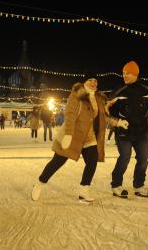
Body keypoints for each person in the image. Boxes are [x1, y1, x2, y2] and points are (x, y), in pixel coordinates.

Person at [31, 73, 127, 203]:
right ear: (84, 82)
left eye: (95, 80)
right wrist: (68, 135)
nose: (93, 83)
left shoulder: (98, 97)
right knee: (58, 161)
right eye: (90, 79)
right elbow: (69, 116)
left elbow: (103, 116)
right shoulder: (76, 95)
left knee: (92, 161)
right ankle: (40, 183)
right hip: (73, 136)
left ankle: (84, 190)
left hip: (90, 137)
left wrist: (118, 122)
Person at [108, 61, 148, 198]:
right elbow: (108, 109)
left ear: (135, 74)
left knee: (143, 159)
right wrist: (118, 122)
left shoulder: (146, 90)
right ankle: (116, 185)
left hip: (142, 132)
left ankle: (138, 185)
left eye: (128, 73)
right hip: (124, 132)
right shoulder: (119, 91)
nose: (124, 76)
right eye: (123, 73)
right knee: (125, 157)